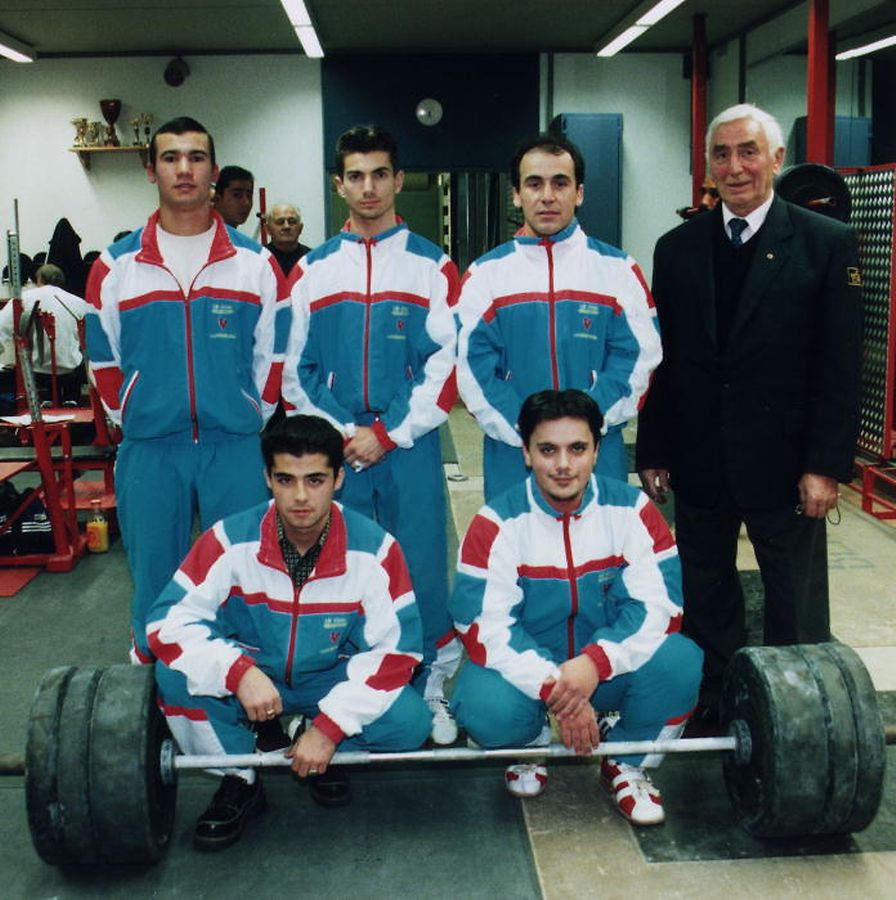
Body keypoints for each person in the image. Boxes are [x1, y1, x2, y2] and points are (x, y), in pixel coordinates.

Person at [635, 103, 863, 725]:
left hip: (787, 466)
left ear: (777, 159)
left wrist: (825, 466)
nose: (734, 168)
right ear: (707, 164)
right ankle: (717, 703)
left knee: (794, 600)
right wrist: (652, 449)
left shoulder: (826, 244)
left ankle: (801, 717)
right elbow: (666, 359)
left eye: (748, 152)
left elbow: (840, 370)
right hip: (701, 459)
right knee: (705, 591)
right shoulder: (677, 248)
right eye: (721, 154)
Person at [148, 415, 431, 850]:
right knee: (172, 676)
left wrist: (331, 727)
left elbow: (398, 654)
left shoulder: (375, 549)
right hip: (253, 679)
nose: (300, 496)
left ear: (339, 479)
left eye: (315, 479)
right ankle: (240, 776)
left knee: (410, 724)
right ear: (268, 479)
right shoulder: (227, 540)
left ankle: (314, 740)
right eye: (286, 479)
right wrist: (237, 671)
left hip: (328, 681)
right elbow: (165, 623)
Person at [86, 116, 290, 664]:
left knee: (244, 574)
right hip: (151, 448)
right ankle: (152, 702)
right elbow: (101, 357)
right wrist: (132, 411)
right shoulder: (115, 266)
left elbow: (274, 355)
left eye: (196, 157)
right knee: (156, 581)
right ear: (151, 169)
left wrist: (251, 411)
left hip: (235, 447)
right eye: (171, 157)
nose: (184, 168)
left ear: (213, 172)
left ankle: (249, 703)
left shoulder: (255, 264)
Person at [282, 124, 462, 745]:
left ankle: (431, 690)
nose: (368, 187)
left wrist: (386, 434)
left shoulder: (433, 266)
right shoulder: (310, 271)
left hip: (406, 447)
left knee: (422, 569)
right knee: (345, 567)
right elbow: (292, 367)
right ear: (339, 185)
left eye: (379, 173)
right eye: (355, 176)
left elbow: (445, 367)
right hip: (338, 455)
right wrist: (342, 435)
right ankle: (345, 690)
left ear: (398, 179)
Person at [449, 389, 701, 824]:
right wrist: (558, 690)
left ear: (597, 451)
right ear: (526, 453)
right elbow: (482, 627)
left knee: (680, 660)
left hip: (606, 672)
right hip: (532, 678)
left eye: (577, 449)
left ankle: (627, 760)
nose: (563, 465)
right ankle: (531, 744)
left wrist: (593, 665)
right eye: (548, 450)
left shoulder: (634, 510)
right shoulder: (496, 524)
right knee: (478, 701)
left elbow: (660, 607)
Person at [457, 134, 662, 502]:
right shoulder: (485, 275)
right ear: (516, 194)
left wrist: (583, 427)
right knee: (518, 558)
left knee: (602, 557)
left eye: (560, 183)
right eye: (534, 184)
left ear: (579, 193)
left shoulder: (617, 271)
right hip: (514, 452)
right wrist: (531, 431)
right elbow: (472, 369)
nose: (547, 196)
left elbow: (638, 361)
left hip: (597, 452)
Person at [0, 263, 87, 406]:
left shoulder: (24, 298)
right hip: (72, 373)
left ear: (39, 279)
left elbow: (2, 326)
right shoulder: (78, 302)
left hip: (37, 374)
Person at [265, 203, 312, 277]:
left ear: (301, 228)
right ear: (268, 229)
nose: (286, 226)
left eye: (292, 222)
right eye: (280, 222)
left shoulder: (311, 259)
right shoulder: (260, 259)